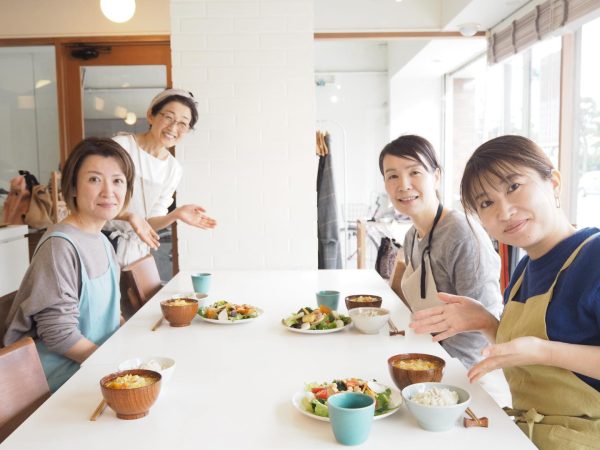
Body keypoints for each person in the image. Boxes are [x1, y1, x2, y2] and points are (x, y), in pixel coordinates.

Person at [410, 135, 600, 448]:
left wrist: (545, 351)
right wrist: (485, 323)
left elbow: (539, 352)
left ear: (553, 182)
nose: (505, 210)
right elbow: (525, 357)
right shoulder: (524, 271)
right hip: (525, 435)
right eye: (486, 203)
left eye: (513, 186)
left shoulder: (593, 256)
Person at [3, 137, 135, 392]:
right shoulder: (60, 246)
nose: (108, 191)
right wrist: (116, 371)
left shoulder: (103, 241)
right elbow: (60, 335)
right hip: (54, 386)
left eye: (118, 181)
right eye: (94, 179)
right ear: (72, 187)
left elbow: (110, 315)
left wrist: (130, 347)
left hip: (93, 371)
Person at [379, 134, 504, 368]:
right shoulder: (411, 236)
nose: (404, 185)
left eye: (414, 172)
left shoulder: (461, 234)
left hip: (463, 368)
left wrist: (433, 365)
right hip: (424, 351)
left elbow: (485, 322)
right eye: (393, 176)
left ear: (436, 177)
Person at [105, 88, 217, 267]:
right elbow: (92, 199)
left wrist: (176, 214)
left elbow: (151, 222)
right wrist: (129, 216)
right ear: (151, 116)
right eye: (168, 117)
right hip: (102, 244)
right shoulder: (121, 147)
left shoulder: (173, 169)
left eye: (183, 123)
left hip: (135, 254)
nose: (173, 128)